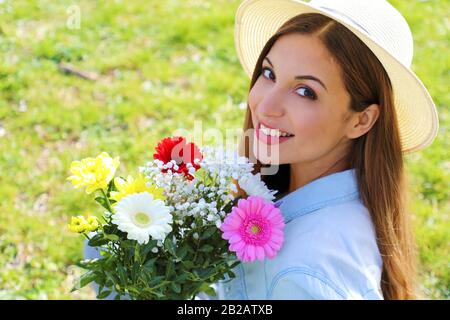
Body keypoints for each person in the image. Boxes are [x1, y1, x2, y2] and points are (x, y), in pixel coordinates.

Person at [212, 0, 439, 300]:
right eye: (269, 74)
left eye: (306, 92)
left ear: (361, 120)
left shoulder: (305, 274)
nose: (265, 107)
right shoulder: (291, 190)